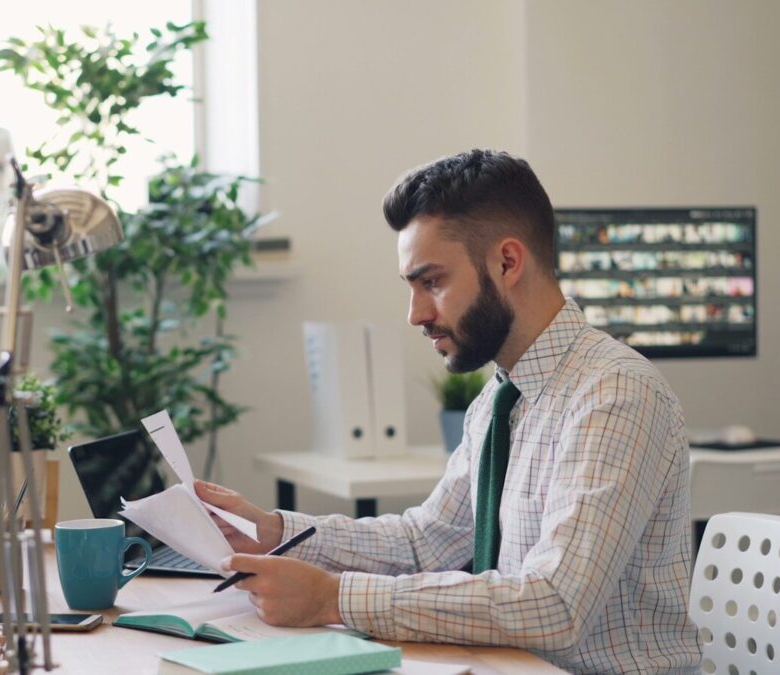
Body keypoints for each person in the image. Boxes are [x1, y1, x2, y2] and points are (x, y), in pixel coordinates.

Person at [195, 149, 702, 674]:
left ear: (507, 262)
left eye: (431, 282)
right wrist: (277, 532)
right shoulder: (500, 398)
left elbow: (555, 605)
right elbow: (425, 542)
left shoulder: (614, 394)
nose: (416, 314)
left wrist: (333, 599)